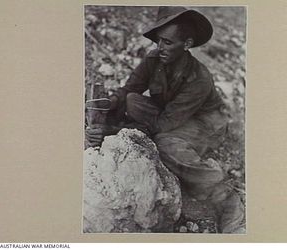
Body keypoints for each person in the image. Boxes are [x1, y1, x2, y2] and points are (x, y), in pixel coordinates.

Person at [86, 6, 244, 233]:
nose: (160, 47)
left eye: (168, 43)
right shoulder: (154, 59)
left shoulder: (199, 78)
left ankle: (225, 197)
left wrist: (113, 131)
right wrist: (108, 105)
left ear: (187, 45)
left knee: (166, 144)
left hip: (203, 124)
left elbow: (165, 124)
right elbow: (130, 89)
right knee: (131, 99)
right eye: (159, 41)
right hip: (168, 113)